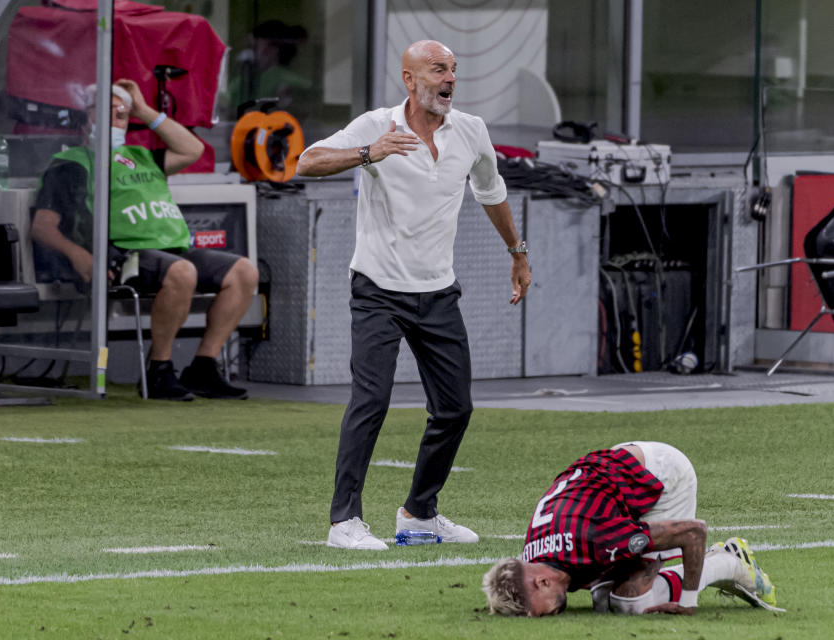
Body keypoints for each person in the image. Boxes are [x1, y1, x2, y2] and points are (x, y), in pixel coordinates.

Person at [297, 40, 531, 550]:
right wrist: (368, 153)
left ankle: (419, 514)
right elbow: (305, 163)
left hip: (438, 293)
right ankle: (344, 522)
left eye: (453, 70)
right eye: (437, 69)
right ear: (409, 78)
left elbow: (490, 191)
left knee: (455, 408)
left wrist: (517, 252)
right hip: (378, 290)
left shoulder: (471, 131)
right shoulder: (376, 125)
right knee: (371, 399)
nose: (448, 79)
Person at [31, 79, 259, 401]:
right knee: (182, 272)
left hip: (174, 250)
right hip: (125, 253)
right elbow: (42, 227)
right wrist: (79, 255)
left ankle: (203, 367)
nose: (115, 120)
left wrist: (144, 110)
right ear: (85, 117)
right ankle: (159, 370)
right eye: (105, 112)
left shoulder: (141, 156)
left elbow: (193, 149)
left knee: (244, 272)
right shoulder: (72, 164)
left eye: (122, 115)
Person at [482, 442, 782, 616]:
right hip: (618, 472)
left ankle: (731, 561)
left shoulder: (596, 539)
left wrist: (688, 601)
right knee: (602, 598)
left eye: (536, 611)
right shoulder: (536, 554)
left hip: (664, 478)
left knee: (631, 601)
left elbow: (694, 532)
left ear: (541, 583)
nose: (541, 616)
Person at [229, 20, 312, 120]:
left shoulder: (291, 83)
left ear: (273, 50)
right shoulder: (243, 80)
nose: (249, 53)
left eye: (254, 47)